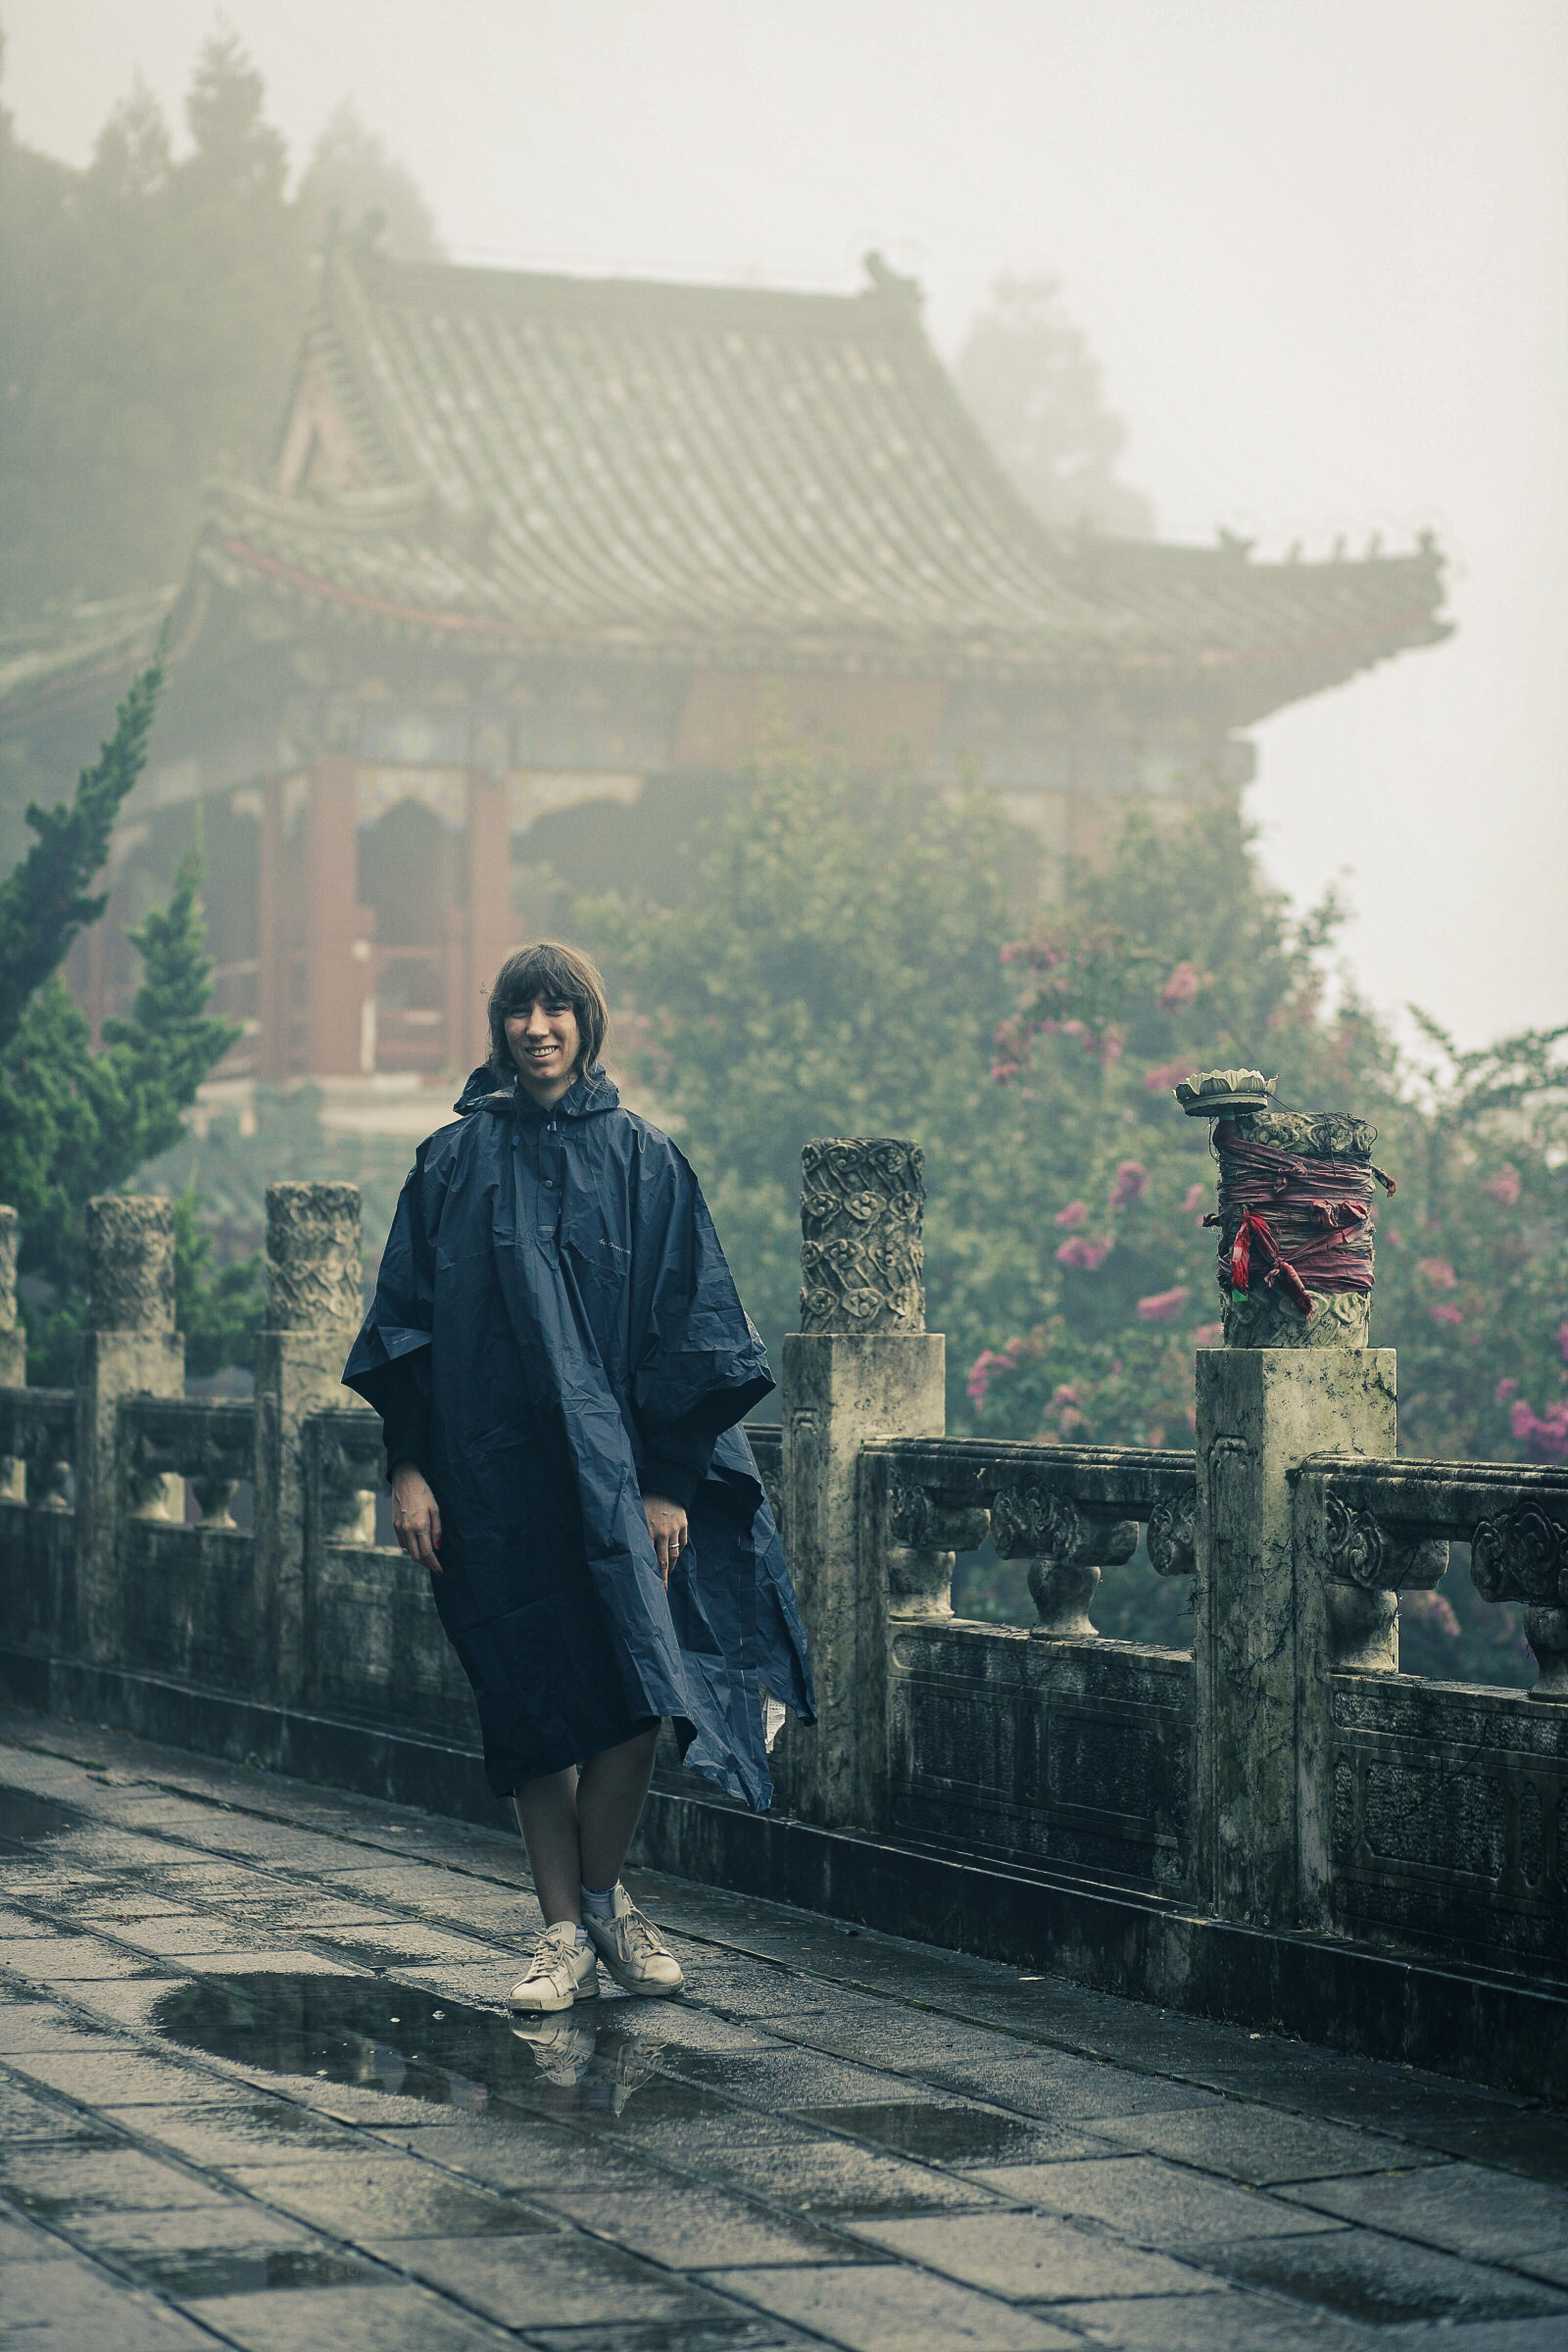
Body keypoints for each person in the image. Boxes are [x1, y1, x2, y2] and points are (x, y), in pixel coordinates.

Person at [342, 942, 813, 2018]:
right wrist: (408, 1467)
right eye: (521, 1009)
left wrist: (669, 1484)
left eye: (558, 1009)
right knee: (526, 1702)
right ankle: (561, 1932)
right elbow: (405, 1326)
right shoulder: (450, 1163)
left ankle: (601, 1900)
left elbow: (690, 1325)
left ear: (587, 1023)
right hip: (487, 1479)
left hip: (615, 1484)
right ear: (500, 1026)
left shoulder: (645, 1159)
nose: (537, 1028)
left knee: (638, 1692)